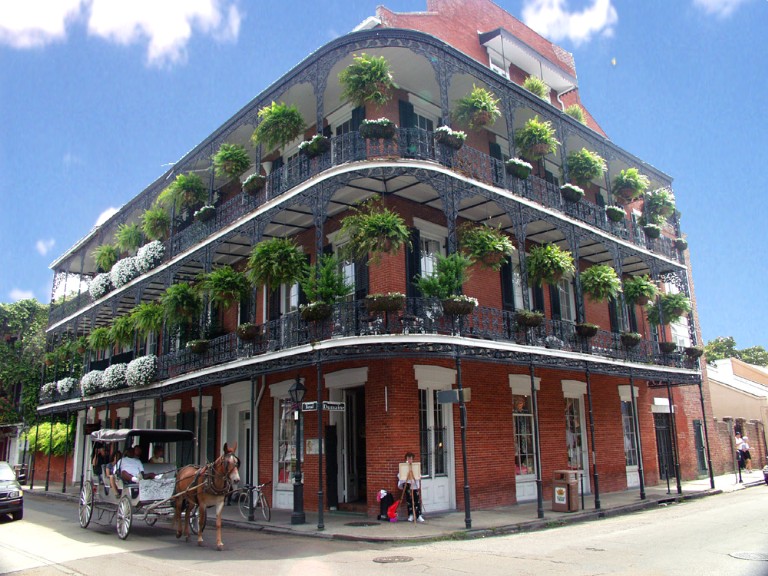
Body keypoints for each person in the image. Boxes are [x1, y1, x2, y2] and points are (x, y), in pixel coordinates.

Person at [397, 451, 424, 523]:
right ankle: (411, 514)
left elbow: (418, 474)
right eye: (408, 459)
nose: (410, 460)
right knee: (409, 500)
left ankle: (418, 515)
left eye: (411, 459)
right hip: (407, 484)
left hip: (414, 484)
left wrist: (417, 476)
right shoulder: (404, 466)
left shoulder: (415, 466)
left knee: (416, 500)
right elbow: (400, 475)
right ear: (406, 459)